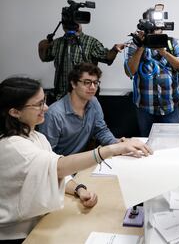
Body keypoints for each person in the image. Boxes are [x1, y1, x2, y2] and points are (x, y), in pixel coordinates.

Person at [0, 77, 151, 243]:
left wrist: (79, 189)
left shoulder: (36, 136)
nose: (46, 107)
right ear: (14, 112)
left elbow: (51, 171)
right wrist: (111, 150)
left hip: (39, 221)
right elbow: (58, 167)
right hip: (16, 234)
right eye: (38, 105)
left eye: (44, 101)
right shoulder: (12, 146)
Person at [38, 63, 147, 156]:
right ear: (73, 83)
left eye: (95, 82)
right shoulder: (54, 114)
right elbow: (47, 154)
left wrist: (117, 143)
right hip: (61, 168)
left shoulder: (93, 102)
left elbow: (101, 130)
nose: (93, 87)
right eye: (87, 82)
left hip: (83, 162)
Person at [124, 6, 179, 136]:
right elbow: (129, 72)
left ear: (163, 27)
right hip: (145, 109)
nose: (155, 32)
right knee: (147, 146)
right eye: (151, 29)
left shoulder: (173, 43)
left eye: (157, 28)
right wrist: (142, 46)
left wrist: (163, 52)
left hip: (170, 108)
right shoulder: (135, 44)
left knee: (172, 144)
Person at [38, 22, 125, 100]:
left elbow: (107, 58)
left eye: (76, 21)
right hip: (61, 96)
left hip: (85, 97)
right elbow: (44, 57)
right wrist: (42, 45)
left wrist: (114, 50)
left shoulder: (91, 42)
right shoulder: (57, 43)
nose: (72, 24)